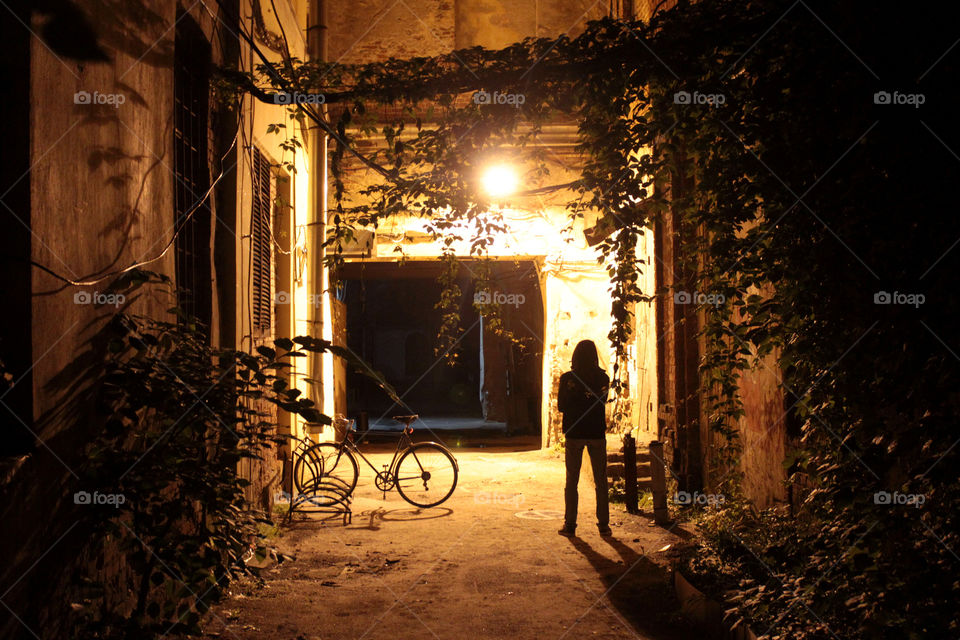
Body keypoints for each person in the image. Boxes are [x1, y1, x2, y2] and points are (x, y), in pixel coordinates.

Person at [557, 339, 611, 537]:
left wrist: (576, 396)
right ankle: (603, 525)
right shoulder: (603, 378)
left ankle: (570, 524)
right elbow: (600, 401)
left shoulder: (567, 379)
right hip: (596, 432)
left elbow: (561, 406)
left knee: (572, 480)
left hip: (574, 433)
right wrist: (588, 397)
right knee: (601, 481)